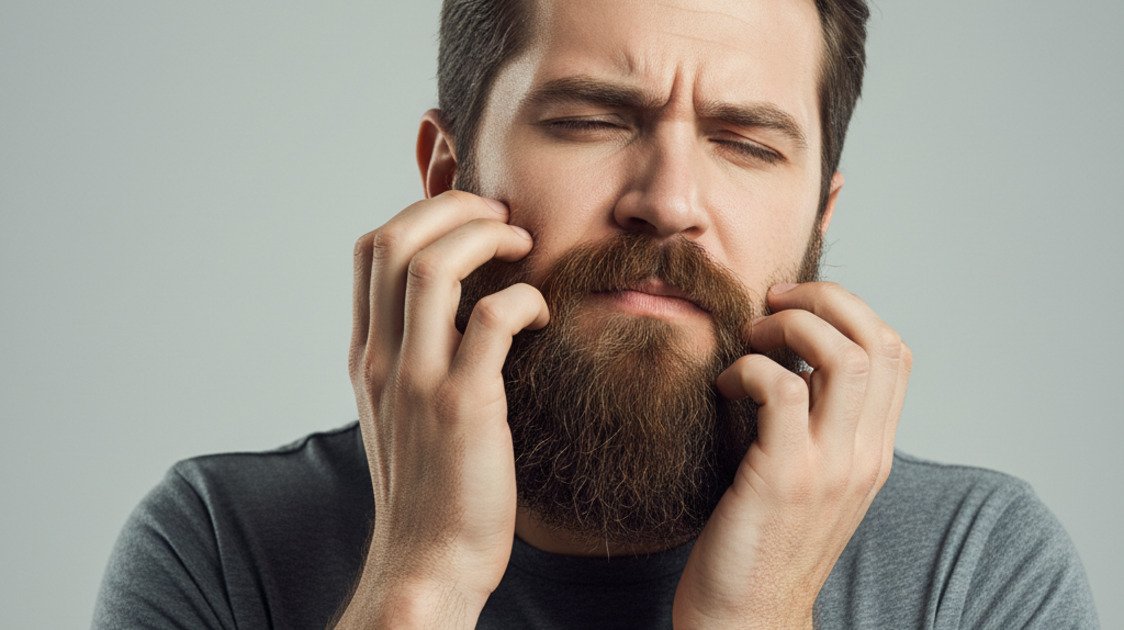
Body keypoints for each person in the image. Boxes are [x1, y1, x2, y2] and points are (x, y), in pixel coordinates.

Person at [93, 0, 1100, 628]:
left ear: (816, 217)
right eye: (587, 121)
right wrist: (422, 581)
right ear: (449, 178)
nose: (666, 199)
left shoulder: (975, 568)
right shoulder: (220, 543)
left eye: (745, 143)